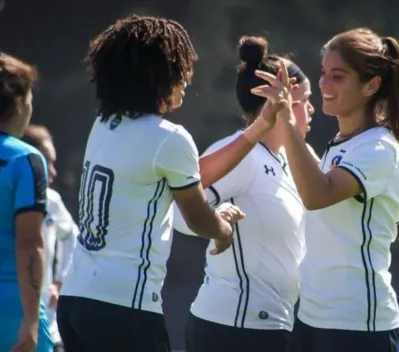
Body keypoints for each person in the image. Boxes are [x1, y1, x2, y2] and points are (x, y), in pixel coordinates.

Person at [57, 15, 276, 352]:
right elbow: (197, 218)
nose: (187, 78)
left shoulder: (103, 124)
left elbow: (187, 178)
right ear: (155, 77)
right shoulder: (170, 138)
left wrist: (257, 130)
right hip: (125, 306)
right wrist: (224, 228)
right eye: (179, 68)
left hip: (76, 298)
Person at [252, 27, 399, 352]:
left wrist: (288, 124)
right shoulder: (337, 146)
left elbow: (317, 196)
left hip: (355, 325)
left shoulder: (379, 147)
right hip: (311, 317)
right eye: (323, 73)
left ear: (372, 85)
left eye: (338, 76)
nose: (323, 84)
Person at [173, 36, 313, 352]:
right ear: (277, 101)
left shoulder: (287, 160)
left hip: (273, 329)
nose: (312, 110)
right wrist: (215, 222)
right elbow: (178, 214)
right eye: (305, 100)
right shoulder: (239, 155)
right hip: (234, 331)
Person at [0, 53, 53, 352]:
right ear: (18, 102)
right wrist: (31, 320)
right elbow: (30, 242)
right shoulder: (25, 159)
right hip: (11, 310)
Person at [23, 124, 79, 352]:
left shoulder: (52, 200)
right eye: (48, 162)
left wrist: (60, 280)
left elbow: (72, 237)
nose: (54, 172)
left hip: (47, 321)